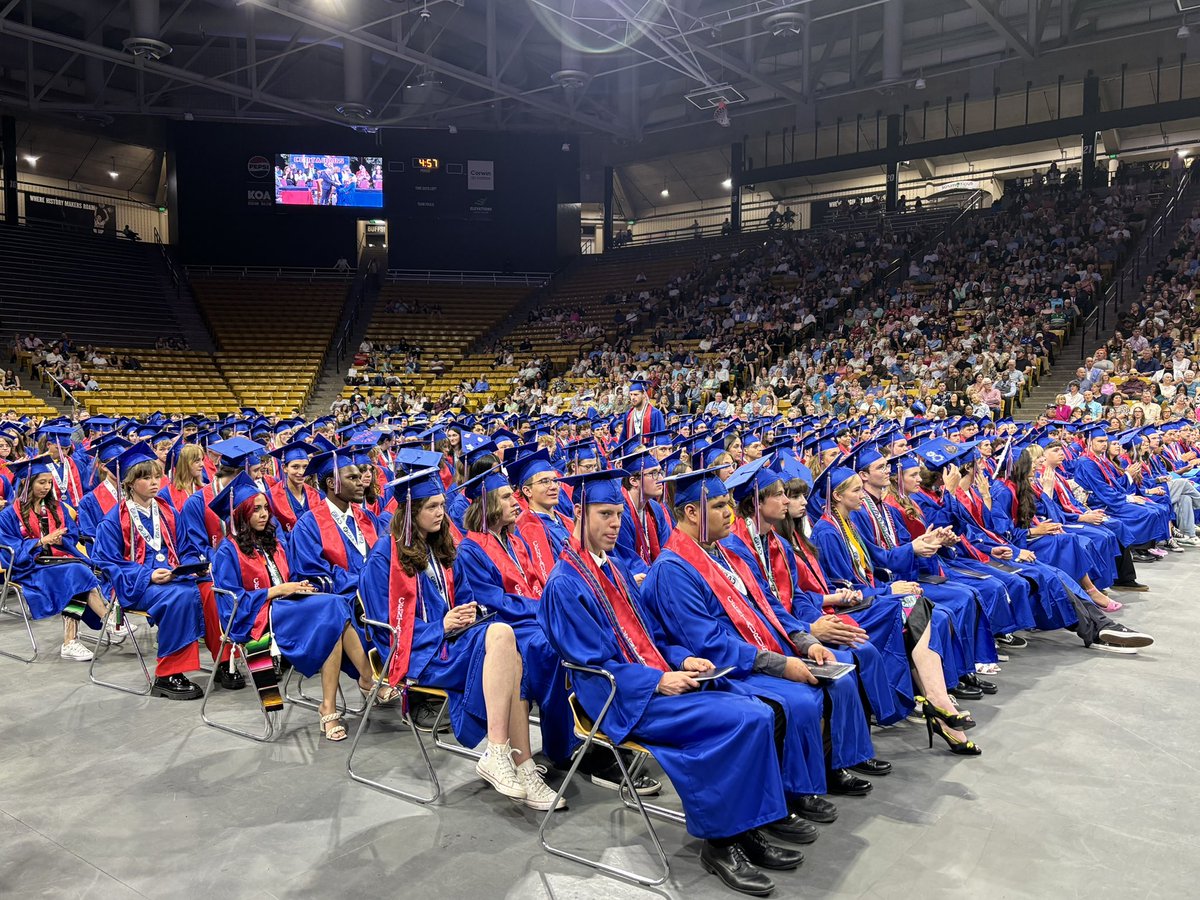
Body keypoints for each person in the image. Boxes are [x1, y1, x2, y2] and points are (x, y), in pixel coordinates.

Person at [539, 469, 802, 895]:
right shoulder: (565, 584)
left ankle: (746, 828)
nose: (615, 524)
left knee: (757, 711)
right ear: (580, 514)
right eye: (605, 514)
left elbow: (653, 635)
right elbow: (591, 665)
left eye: (618, 514)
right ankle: (720, 844)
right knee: (740, 720)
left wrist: (682, 658)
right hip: (616, 699)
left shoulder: (614, 567)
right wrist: (657, 680)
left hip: (653, 680)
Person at [645, 463, 887, 807]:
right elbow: (708, 644)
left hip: (760, 649)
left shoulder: (726, 554)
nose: (729, 513)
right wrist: (781, 664)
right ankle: (793, 792)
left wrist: (805, 642)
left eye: (729, 504)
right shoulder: (674, 570)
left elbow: (769, 606)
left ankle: (831, 766)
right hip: (728, 667)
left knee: (839, 676)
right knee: (801, 699)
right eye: (719, 506)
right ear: (691, 512)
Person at [359, 466, 563, 809]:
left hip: (454, 641)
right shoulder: (385, 555)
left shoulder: (441, 548)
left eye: (442, 505)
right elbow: (386, 625)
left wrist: (469, 614)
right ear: (411, 512)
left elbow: (468, 598)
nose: (441, 512)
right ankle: (502, 754)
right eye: (431, 507)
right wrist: (441, 626)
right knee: (504, 637)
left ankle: (519, 762)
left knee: (511, 648)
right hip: (419, 650)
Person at [209, 474, 378, 741]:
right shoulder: (227, 551)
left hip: (288, 607)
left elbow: (293, 574)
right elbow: (231, 602)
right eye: (256, 509)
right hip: (257, 616)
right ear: (240, 514)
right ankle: (366, 679)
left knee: (334, 610)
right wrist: (276, 591)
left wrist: (300, 586)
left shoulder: (274, 543)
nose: (264, 514)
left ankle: (331, 705)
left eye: (266, 508)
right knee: (333, 610)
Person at [92, 443, 212, 700]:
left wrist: (190, 566)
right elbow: (107, 562)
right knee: (181, 596)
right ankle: (168, 674)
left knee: (211, 589)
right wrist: (147, 575)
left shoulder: (168, 511)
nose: (155, 482)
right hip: (135, 585)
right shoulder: (114, 519)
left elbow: (186, 547)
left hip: (174, 578)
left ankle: (223, 661)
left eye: (157, 476)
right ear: (130, 482)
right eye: (146, 478)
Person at [0, 455, 114, 661]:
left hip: (59, 561)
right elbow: (9, 548)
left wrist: (61, 540)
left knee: (78, 574)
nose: (47, 487)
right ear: (27, 484)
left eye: (49, 482)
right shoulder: (9, 515)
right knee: (78, 572)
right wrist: (40, 542)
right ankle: (108, 619)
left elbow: (72, 534)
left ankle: (73, 640)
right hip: (30, 567)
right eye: (41, 482)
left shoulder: (57, 507)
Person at [266, 440, 321, 532]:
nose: (301, 472)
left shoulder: (316, 495)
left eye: (305, 467)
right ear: (284, 468)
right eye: (295, 467)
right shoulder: (270, 496)